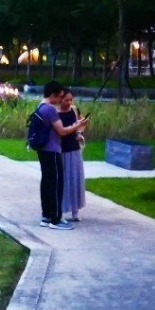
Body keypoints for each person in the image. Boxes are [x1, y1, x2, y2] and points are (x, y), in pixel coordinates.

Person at [34, 80, 89, 230]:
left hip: (43, 150)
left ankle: (46, 216)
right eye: (59, 97)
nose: (60, 100)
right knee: (56, 184)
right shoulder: (50, 110)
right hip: (53, 150)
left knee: (46, 183)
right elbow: (62, 131)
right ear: (52, 95)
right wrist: (78, 125)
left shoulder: (40, 106)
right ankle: (55, 219)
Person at [58, 91, 87, 222]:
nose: (69, 102)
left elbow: (82, 122)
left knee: (75, 179)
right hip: (61, 149)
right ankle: (61, 210)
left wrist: (80, 131)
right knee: (63, 181)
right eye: (66, 100)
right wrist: (76, 126)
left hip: (74, 149)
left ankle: (75, 211)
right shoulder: (55, 113)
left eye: (71, 100)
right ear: (60, 99)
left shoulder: (74, 110)